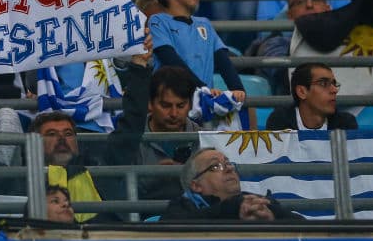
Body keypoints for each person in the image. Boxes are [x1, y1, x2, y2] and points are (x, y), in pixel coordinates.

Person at [30, 34, 155, 222]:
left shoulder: (105, 164)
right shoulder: (23, 180)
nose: (62, 139)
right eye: (51, 134)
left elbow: (134, 120)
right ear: (35, 143)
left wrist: (139, 65)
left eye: (68, 133)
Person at [148, 0, 246, 99]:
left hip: (202, 100)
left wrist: (237, 88)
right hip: (170, 100)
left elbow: (223, 60)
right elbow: (171, 60)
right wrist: (201, 88)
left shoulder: (205, 24)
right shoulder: (158, 22)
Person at [161, 148, 303, 221]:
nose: (229, 168)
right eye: (215, 166)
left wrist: (271, 218)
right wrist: (234, 208)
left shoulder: (254, 202)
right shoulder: (180, 209)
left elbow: (302, 225)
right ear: (196, 185)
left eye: (228, 163)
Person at [247, 0, 332, 96]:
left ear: (327, 8)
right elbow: (287, 79)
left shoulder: (347, 41)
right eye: (300, 1)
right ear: (290, 15)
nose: (309, 5)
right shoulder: (275, 43)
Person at [135, 66, 202, 202]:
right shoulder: (131, 139)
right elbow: (117, 191)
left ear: (190, 105)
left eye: (181, 106)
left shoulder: (203, 137)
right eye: (165, 106)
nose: (174, 114)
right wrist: (154, 177)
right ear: (149, 103)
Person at [266, 62, 358, 130]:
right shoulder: (279, 122)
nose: (335, 90)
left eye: (334, 84)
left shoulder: (345, 123)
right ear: (302, 92)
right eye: (323, 83)